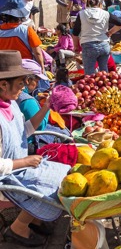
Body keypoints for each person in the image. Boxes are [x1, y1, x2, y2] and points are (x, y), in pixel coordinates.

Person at [0, 50, 70, 247]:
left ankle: (36, 218)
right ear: (3, 84)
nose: (23, 88)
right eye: (20, 83)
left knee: (64, 172)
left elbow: (26, 131)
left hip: (20, 168)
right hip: (6, 176)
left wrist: (46, 106)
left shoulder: (10, 104)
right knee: (50, 184)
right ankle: (18, 228)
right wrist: (25, 162)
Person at [72, 0, 121, 75]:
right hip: (104, 45)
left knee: (89, 75)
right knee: (104, 73)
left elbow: (75, 33)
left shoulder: (81, 14)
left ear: (88, 4)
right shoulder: (106, 13)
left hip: (88, 46)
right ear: (100, 4)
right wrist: (110, 32)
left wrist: (76, 47)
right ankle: (105, 86)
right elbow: (120, 23)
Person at [0, 0, 45, 73]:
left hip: (4, 69)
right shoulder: (27, 30)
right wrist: (42, 67)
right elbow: (37, 52)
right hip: (25, 69)